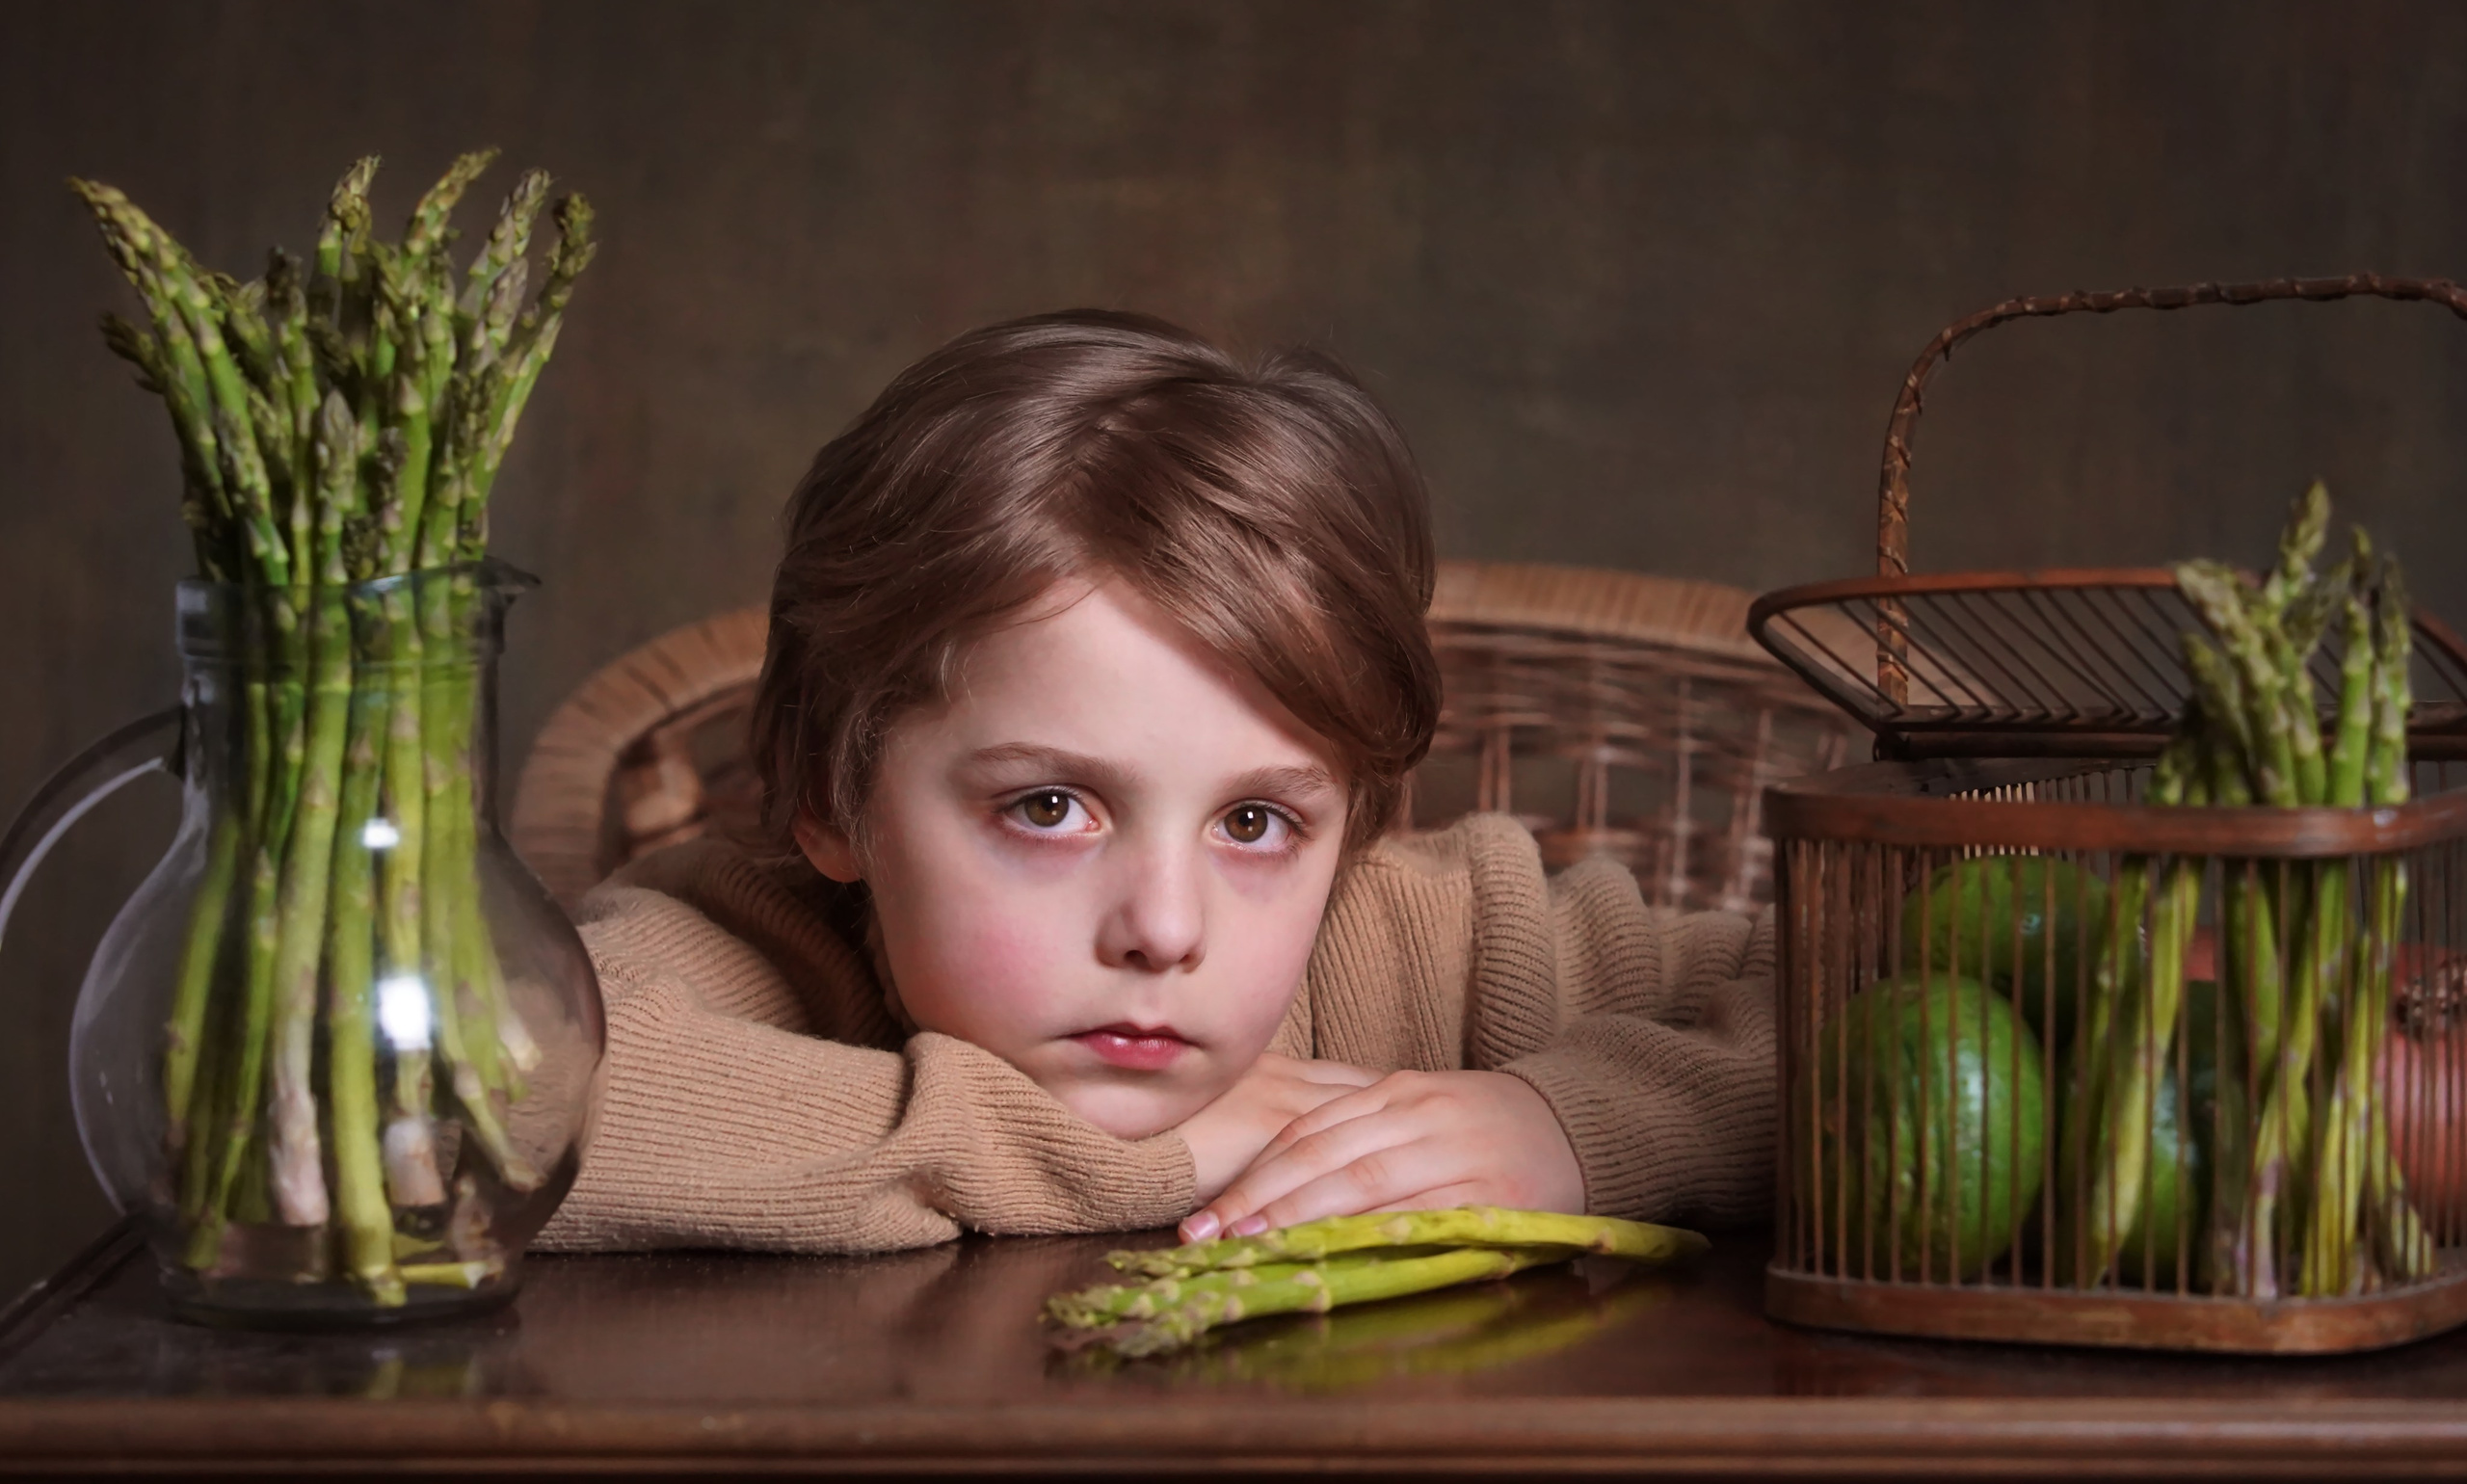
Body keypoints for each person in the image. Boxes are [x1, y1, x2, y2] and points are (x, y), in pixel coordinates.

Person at [536, 310, 1774, 1257]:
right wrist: (1127, 1155)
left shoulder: (1435, 941)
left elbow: (1870, 999)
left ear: (1350, 832)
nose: (1165, 930)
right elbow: (462, 1109)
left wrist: (1573, 1126)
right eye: (1050, 808)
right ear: (830, 795)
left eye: (1255, 821)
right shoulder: (734, 949)